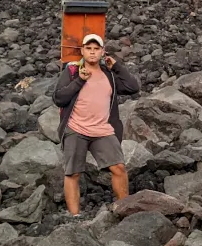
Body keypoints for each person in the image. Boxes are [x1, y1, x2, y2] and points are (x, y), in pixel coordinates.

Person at [53, 34, 140, 215]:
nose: (92, 52)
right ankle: (75, 217)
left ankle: (124, 210)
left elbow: (133, 87)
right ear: (82, 51)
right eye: (88, 48)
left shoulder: (109, 75)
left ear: (102, 52)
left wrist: (117, 66)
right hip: (76, 128)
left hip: (103, 130)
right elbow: (59, 98)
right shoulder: (72, 72)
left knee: (119, 167)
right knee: (73, 173)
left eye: (96, 49)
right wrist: (80, 80)